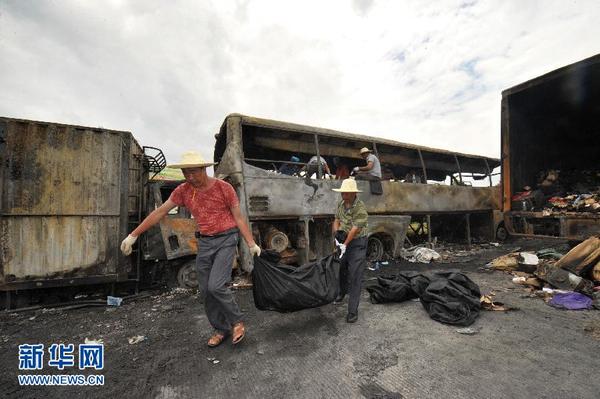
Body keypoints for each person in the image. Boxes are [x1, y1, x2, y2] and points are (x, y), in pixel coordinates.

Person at [120, 151, 261, 348]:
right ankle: (221, 329)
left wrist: (251, 243)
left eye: (194, 172)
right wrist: (133, 235)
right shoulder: (183, 190)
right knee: (205, 290)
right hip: (205, 242)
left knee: (216, 286)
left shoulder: (224, 188)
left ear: (204, 169)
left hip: (226, 239)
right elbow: (160, 212)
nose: (190, 177)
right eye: (186, 173)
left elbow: (238, 217)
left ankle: (237, 322)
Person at [332, 178, 369, 323]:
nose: (343, 195)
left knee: (355, 275)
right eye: (342, 193)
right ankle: (342, 292)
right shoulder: (341, 204)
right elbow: (336, 220)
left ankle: (352, 311)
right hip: (344, 240)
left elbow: (355, 229)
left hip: (357, 242)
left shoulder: (360, 207)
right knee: (341, 267)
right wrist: (336, 235)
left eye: (346, 193)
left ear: (353, 193)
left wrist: (345, 244)